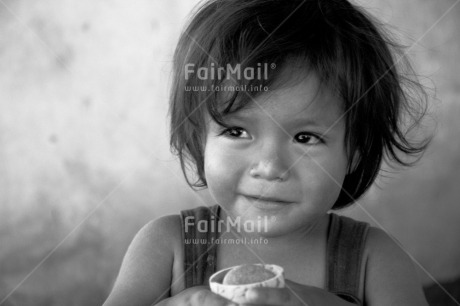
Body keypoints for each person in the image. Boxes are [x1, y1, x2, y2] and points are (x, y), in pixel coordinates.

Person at [103, 0, 431, 305]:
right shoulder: (166, 245)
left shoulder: (375, 259)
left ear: (355, 152)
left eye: (306, 137)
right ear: (199, 138)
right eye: (236, 131)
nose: (270, 167)